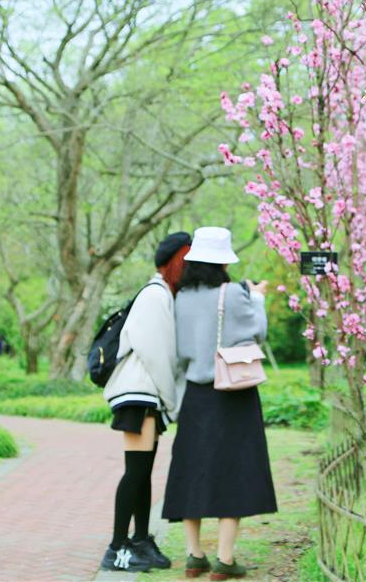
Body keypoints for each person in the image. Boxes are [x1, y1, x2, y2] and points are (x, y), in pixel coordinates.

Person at [162, 226, 276, 580]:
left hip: (196, 395)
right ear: (223, 261)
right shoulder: (234, 294)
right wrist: (257, 297)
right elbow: (259, 331)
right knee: (235, 471)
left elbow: (180, 350)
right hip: (234, 394)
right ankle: (225, 560)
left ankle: (194, 555)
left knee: (191, 471)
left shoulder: (180, 297)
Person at [101, 231, 191, 572]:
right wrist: (172, 401)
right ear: (174, 262)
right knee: (135, 472)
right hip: (137, 396)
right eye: (186, 262)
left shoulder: (163, 294)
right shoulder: (155, 296)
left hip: (145, 396)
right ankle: (117, 548)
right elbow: (157, 355)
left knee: (143, 472)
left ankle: (140, 540)